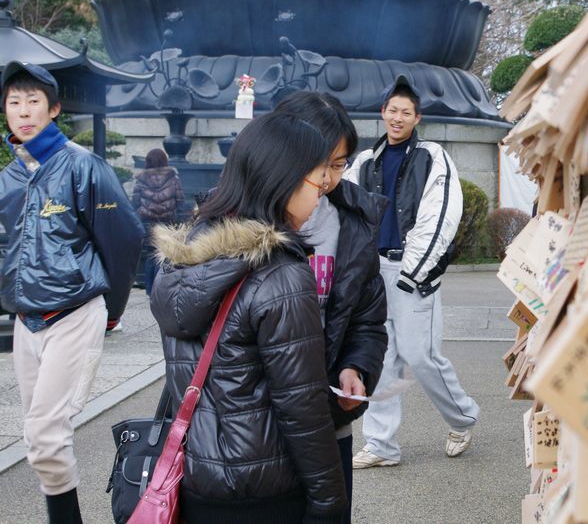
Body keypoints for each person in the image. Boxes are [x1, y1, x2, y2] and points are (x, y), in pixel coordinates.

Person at [149, 112, 347, 523]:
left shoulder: (181, 261)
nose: (321, 191)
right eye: (317, 178)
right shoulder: (280, 275)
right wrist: (330, 501)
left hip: (196, 477)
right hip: (264, 485)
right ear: (284, 181)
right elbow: (302, 405)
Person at [0, 62, 143, 523]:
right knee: (40, 436)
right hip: (26, 319)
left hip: (75, 311)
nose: (23, 112)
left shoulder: (85, 166)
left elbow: (125, 239)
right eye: (14, 102)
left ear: (55, 109)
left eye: (33, 101)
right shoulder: (10, 178)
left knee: (45, 435)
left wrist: (113, 311)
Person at [344, 75, 480, 469]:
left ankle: (463, 418)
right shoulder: (365, 161)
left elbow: (442, 212)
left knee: (422, 355)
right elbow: (348, 211)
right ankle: (381, 445)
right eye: (392, 110)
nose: (398, 117)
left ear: (417, 117)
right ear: (382, 113)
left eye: (406, 111)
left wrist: (416, 270)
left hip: (411, 268)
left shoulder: (432, 156)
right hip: (374, 270)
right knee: (379, 358)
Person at [274, 91, 388, 521]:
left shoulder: (353, 224)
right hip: (253, 431)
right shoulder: (237, 223)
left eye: (339, 165)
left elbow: (367, 320)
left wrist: (355, 368)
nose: (329, 179)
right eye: (321, 164)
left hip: (327, 424)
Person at [131, 148, 183, 295]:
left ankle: (149, 289)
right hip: (167, 222)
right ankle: (161, 290)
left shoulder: (141, 178)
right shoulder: (173, 177)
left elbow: (135, 202)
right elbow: (180, 200)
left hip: (147, 222)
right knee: (164, 255)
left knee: (149, 255)